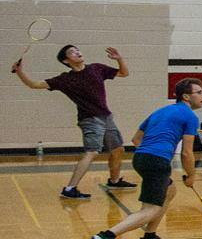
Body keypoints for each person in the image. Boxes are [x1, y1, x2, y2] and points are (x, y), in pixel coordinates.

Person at [90, 77, 202, 239]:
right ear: (185, 96)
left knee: (169, 190)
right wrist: (191, 175)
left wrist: (150, 152)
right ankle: (107, 236)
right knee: (151, 209)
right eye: (199, 92)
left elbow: (136, 140)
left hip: (140, 158)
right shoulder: (190, 116)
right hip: (157, 161)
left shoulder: (160, 112)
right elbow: (186, 153)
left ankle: (149, 237)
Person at [13, 42, 136, 199]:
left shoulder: (96, 68)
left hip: (106, 117)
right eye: (72, 52)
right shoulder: (65, 79)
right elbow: (34, 85)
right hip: (90, 120)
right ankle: (70, 189)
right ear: (66, 61)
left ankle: (114, 180)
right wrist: (20, 72)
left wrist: (119, 59)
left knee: (118, 149)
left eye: (77, 50)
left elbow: (124, 73)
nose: (77, 52)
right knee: (92, 152)